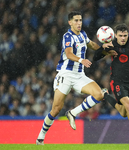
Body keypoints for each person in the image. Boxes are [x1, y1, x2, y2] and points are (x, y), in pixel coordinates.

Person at [36, 11, 113, 145]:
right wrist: (81, 60)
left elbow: (92, 45)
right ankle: (41, 137)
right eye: (76, 20)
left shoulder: (83, 34)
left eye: (80, 20)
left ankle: (73, 113)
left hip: (79, 76)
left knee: (99, 94)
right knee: (56, 109)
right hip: (65, 75)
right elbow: (68, 53)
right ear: (70, 22)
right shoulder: (68, 36)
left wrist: (104, 49)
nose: (79, 23)